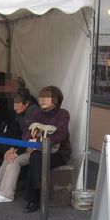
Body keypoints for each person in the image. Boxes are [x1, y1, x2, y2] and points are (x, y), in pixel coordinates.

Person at [0, 88, 39, 192]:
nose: (14, 106)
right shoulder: (21, 111)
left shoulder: (33, 112)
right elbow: (18, 132)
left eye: (17, 103)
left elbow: (27, 136)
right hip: (20, 143)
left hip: (33, 147)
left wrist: (16, 152)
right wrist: (13, 148)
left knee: (10, 158)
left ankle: (2, 190)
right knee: (5, 154)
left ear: (26, 102)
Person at [21, 85, 71, 213]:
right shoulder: (36, 112)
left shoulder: (63, 114)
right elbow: (26, 131)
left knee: (36, 158)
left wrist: (38, 142)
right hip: (36, 151)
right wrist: (30, 143)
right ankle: (38, 192)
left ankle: (33, 198)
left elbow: (61, 135)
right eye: (41, 97)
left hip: (58, 153)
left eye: (46, 98)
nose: (42, 100)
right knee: (36, 157)